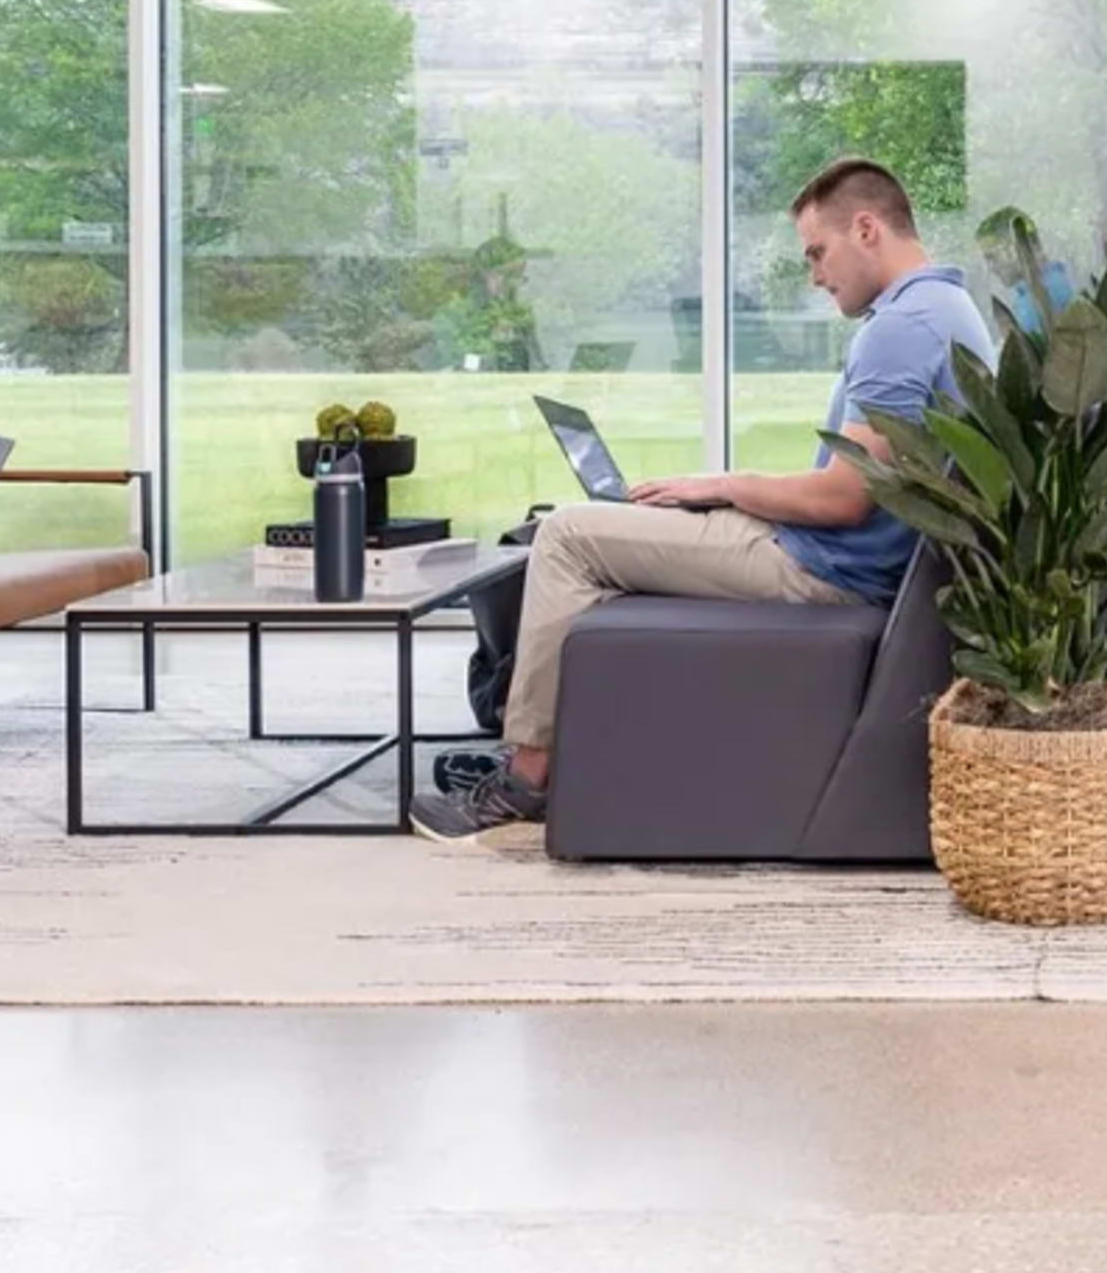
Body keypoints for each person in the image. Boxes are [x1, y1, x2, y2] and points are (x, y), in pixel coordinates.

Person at [412, 157, 997, 846]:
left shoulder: (901, 328)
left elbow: (844, 500)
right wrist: (723, 489)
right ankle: (575, 744)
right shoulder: (945, 307)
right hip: (839, 555)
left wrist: (722, 486)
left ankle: (527, 779)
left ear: (866, 228)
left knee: (567, 534)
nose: (814, 275)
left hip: (825, 569)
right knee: (630, 515)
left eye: (817, 252)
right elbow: (866, 482)